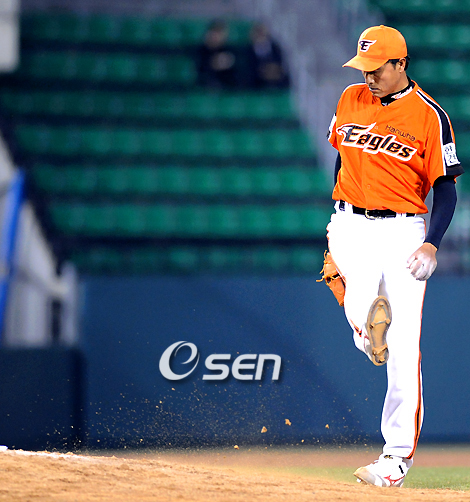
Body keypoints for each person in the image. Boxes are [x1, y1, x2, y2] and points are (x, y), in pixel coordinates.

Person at [325, 25, 463, 487]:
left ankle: (395, 459)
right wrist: (341, 207)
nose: (368, 77)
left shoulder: (429, 115)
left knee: (404, 347)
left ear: (401, 64)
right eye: (362, 68)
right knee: (360, 301)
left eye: (376, 68)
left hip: (404, 229)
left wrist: (431, 243)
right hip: (350, 222)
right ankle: (369, 337)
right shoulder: (350, 98)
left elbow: (446, 188)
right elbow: (342, 156)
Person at [245, 23, 289, 89]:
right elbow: (249, 67)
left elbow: (280, 64)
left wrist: (273, 70)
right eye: (258, 33)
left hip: (275, 77)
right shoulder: (248, 51)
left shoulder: (275, 48)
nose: (260, 36)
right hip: (257, 80)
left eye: (262, 33)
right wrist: (263, 71)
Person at [197, 20, 238, 88]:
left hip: (227, 87)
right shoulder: (200, 51)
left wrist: (228, 63)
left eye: (219, 33)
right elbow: (199, 72)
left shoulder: (229, 51)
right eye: (214, 32)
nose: (216, 36)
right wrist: (212, 63)